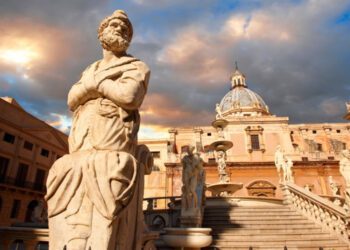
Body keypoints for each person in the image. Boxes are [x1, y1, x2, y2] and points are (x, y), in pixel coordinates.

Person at [46, 10, 150, 250]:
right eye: (114, 25)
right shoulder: (89, 69)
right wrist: (101, 86)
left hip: (111, 143)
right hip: (81, 146)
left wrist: (95, 86)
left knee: (110, 194)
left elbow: (129, 96)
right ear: (101, 32)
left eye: (125, 29)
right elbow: (72, 99)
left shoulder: (137, 67)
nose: (120, 29)